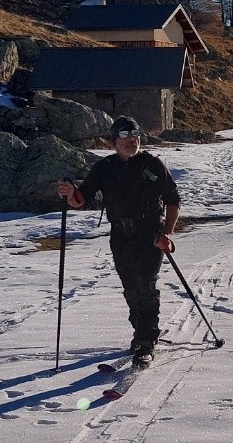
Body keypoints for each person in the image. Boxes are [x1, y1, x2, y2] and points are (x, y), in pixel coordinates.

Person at [56, 115, 179, 365]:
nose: (130, 140)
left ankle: (147, 341)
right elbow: (82, 199)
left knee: (146, 286)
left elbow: (173, 200)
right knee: (131, 289)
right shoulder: (105, 167)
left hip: (150, 235)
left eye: (134, 135)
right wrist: (70, 193)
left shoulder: (153, 164)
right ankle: (139, 332)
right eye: (124, 135)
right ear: (114, 141)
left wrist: (166, 233)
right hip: (121, 237)